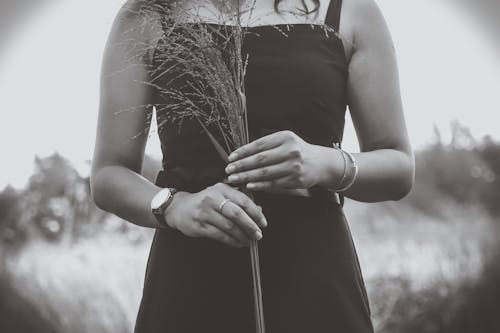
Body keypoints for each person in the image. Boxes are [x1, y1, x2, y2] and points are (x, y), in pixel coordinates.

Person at [91, 0, 415, 331]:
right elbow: (108, 174)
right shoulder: (146, 14)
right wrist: (174, 206)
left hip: (314, 275)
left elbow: (398, 167)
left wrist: (327, 163)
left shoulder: (350, 10)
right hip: (190, 278)